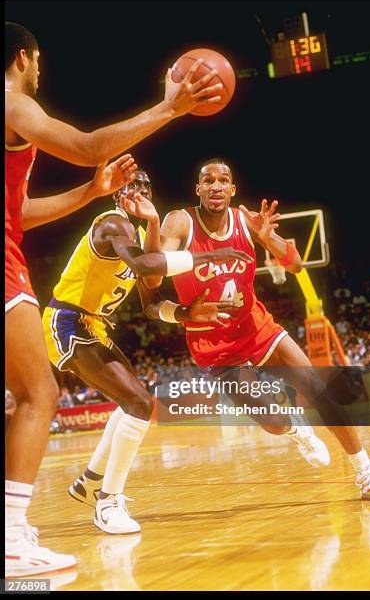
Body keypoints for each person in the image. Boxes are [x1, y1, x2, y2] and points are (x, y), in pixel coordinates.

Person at [5, 19, 223, 576]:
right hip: (63, 315)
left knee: (56, 396)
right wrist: (170, 108)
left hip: (82, 317)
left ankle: (62, 503)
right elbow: (85, 146)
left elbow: (18, 214)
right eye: (38, 61)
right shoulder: (11, 101)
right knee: (39, 395)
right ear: (24, 58)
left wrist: (90, 189)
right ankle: (26, 531)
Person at [138, 158, 370, 502]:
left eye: (223, 180)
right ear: (198, 189)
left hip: (256, 327)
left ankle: (367, 474)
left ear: (232, 190)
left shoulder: (245, 220)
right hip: (214, 344)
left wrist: (269, 239)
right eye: (208, 180)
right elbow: (153, 280)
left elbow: (295, 264)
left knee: (318, 387)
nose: (215, 185)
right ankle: (295, 428)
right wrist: (155, 226)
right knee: (274, 424)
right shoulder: (180, 221)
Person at [42, 174, 251, 534]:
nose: (139, 191)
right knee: (140, 404)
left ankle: (91, 480)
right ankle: (107, 503)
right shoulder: (112, 225)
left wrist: (183, 313)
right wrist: (211, 253)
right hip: (68, 321)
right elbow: (145, 267)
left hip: (92, 325)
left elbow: (151, 298)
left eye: (145, 187)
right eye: (130, 187)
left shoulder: (138, 236)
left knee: (133, 403)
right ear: (118, 196)